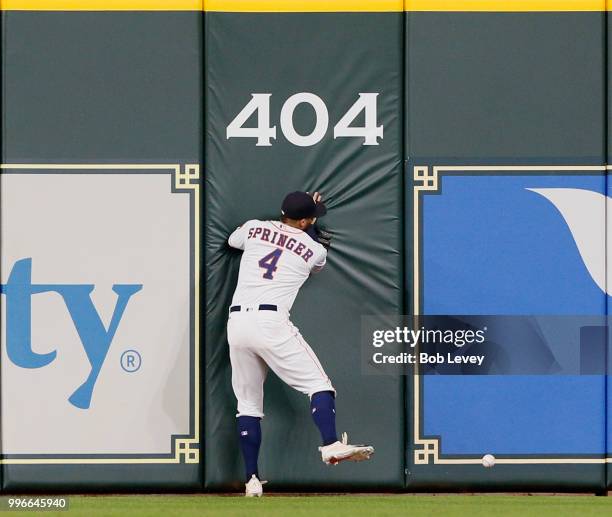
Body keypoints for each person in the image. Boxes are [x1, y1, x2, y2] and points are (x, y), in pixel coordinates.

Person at [227, 191, 374, 497]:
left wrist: (287, 225)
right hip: (271, 323)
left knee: (248, 404)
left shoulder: (254, 227)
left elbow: (233, 241)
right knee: (319, 386)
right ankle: (331, 444)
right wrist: (312, 232)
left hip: (237, 323)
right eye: (312, 216)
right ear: (307, 220)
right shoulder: (313, 248)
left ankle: (252, 480)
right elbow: (316, 264)